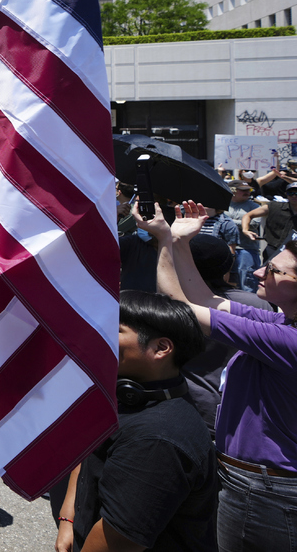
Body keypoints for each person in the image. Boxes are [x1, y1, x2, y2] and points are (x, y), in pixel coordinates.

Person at [138, 200, 297, 552]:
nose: (258, 272)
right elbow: (206, 299)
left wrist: (163, 241)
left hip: (266, 490)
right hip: (260, 482)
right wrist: (180, 242)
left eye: (273, 270)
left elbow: (181, 308)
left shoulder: (288, 339)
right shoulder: (283, 322)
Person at [55, 290, 216, 552]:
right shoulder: (129, 393)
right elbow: (90, 451)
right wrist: (68, 517)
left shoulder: (158, 438)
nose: (99, 334)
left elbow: (119, 538)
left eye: (115, 329)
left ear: (161, 348)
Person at [179, 234, 271, 437]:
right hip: (241, 411)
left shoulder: (170, 302)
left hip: (185, 406)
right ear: (228, 267)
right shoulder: (256, 305)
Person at [224, 179, 262, 292]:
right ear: (232, 191)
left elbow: (254, 224)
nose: (247, 192)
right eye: (243, 190)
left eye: (248, 190)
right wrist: (239, 222)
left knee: (248, 281)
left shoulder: (255, 206)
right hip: (225, 247)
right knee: (225, 279)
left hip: (246, 248)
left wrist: (228, 221)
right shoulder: (223, 204)